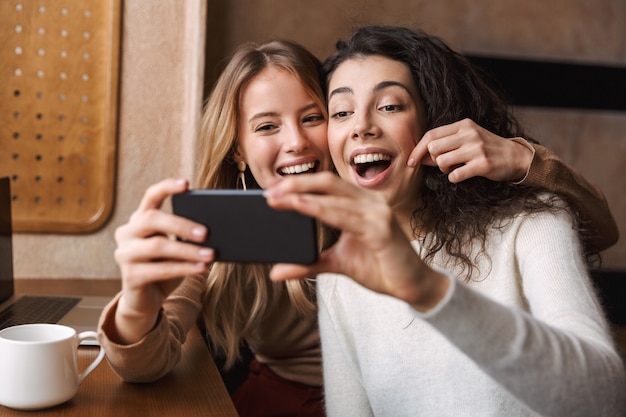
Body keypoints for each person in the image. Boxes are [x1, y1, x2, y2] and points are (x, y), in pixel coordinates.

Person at [98, 37, 618, 417]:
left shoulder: (514, 223)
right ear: (238, 147)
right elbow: (146, 358)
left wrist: (524, 162)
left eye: (314, 116)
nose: (298, 143)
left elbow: (583, 230)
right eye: (265, 127)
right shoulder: (238, 229)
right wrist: (139, 302)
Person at [264, 25, 626, 416]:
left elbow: (602, 398)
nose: (361, 126)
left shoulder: (531, 224)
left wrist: (428, 290)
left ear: (434, 123)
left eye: (390, 106)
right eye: (341, 112)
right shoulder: (341, 276)